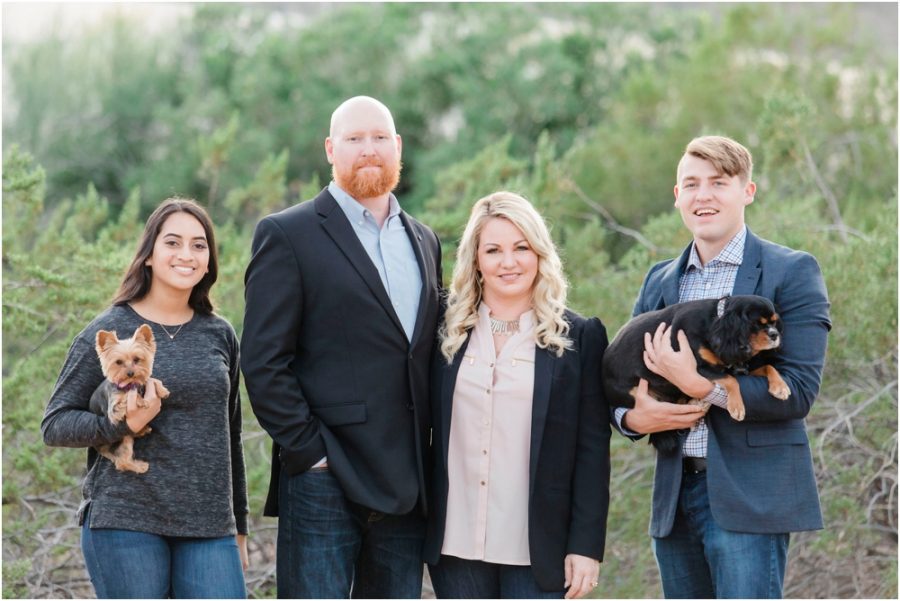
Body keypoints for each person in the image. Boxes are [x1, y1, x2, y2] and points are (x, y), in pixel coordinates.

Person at [241, 95, 442, 598]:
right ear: (331, 150)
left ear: (398, 148)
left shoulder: (425, 240)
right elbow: (263, 360)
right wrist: (309, 451)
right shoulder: (288, 234)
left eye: (379, 138)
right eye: (354, 139)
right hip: (324, 477)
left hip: (405, 480)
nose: (368, 149)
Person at [615, 135, 831, 598]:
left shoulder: (791, 271)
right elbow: (624, 379)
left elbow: (799, 390)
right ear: (677, 197)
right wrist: (631, 419)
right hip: (674, 498)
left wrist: (701, 386)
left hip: (750, 500)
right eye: (691, 184)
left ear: (747, 191)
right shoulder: (660, 280)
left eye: (719, 182)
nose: (703, 195)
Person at [42, 198, 249, 599]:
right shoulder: (107, 329)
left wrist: (238, 525)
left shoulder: (219, 333)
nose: (186, 255)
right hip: (126, 520)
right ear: (149, 255)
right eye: (173, 243)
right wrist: (119, 424)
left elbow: (231, 434)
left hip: (208, 525)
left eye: (199, 245)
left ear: (209, 261)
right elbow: (55, 424)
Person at [424, 191, 610, 599]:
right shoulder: (442, 331)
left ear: (540, 252)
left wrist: (585, 546)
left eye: (521, 247)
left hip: (540, 546)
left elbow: (592, 449)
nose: (508, 262)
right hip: (456, 542)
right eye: (493, 250)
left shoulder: (578, 337)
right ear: (476, 260)